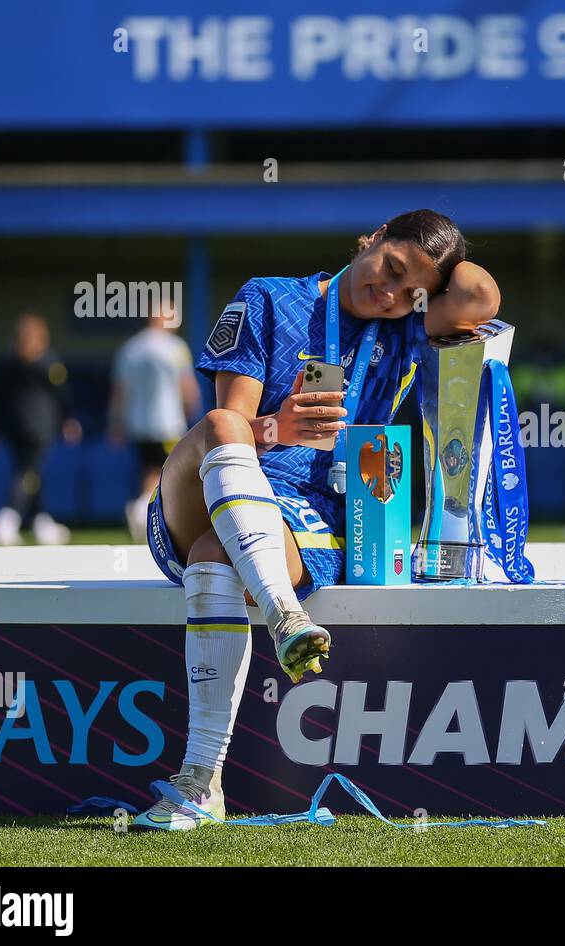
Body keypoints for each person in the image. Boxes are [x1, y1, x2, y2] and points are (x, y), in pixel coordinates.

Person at [133, 210, 500, 830]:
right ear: (371, 237)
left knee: (213, 558)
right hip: (216, 483)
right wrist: (279, 427)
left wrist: (430, 277)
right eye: (387, 267)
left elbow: (480, 295)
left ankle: (199, 784)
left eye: (406, 291)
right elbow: (233, 424)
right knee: (224, 426)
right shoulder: (270, 299)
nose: (386, 293)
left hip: (313, 515)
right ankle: (284, 615)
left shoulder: (407, 329)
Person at [0, 313, 82, 546]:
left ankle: (42, 522)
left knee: (31, 472)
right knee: (29, 473)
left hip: (15, 427)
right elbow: (63, 396)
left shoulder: (8, 364)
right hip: (39, 426)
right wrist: (68, 419)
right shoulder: (49, 363)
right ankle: (7, 518)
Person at [108, 309, 201, 541]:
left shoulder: (130, 349)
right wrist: (193, 408)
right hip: (168, 423)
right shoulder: (175, 347)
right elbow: (187, 385)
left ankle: (143, 509)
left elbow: (119, 391)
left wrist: (116, 422)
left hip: (137, 422)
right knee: (168, 472)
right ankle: (143, 509)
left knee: (149, 470)